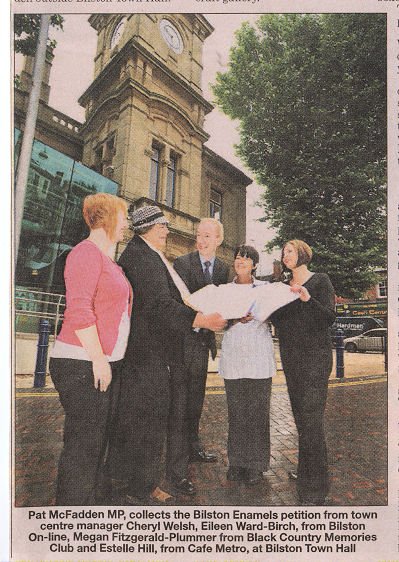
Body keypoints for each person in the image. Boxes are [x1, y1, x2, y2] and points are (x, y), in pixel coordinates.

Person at [112, 206, 226, 503]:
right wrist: (201, 320)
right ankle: (139, 487)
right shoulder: (141, 257)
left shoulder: (148, 255)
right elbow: (161, 305)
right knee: (146, 422)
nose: (166, 231)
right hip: (145, 355)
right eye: (162, 226)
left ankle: (141, 483)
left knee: (148, 421)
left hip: (151, 353)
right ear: (148, 228)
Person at [49, 192, 132, 505]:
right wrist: (99, 360)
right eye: (123, 218)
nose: (126, 225)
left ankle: (90, 505)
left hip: (98, 360)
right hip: (81, 361)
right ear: (108, 217)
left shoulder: (105, 256)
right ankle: (72, 514)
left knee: (93, 441)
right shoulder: (85, 253)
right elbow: (80, 311)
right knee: (84, 443)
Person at [269, 239, 336, 505]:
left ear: (303, 254)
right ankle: (307, 471)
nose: (285, 255)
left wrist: (307, 299)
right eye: (283, 252)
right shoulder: (283, 287)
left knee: (312, 422)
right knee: (302, 421)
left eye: (290, 251)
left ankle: (316, 489)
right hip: (293, 360)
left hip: (315, 361)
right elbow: (279, 320)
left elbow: (328, 318)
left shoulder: (320, 281)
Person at [173, 218, 229, 465]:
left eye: (207, 236)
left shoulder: (224, 270)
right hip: (184, 340)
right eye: (198, 235)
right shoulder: (182, 263)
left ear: (218, 240)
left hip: (204, 344)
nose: (201, 240)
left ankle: (192, 447)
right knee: (180, 399)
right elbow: (178, 304)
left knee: (196, 397)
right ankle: (177, 451)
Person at [219, 245, 276, 485]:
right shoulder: (223, 290)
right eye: (238, 257)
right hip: (234, 359)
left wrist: (268, 314)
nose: (240, 260)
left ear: (254, 264)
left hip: (259, 359)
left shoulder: (266, 289)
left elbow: (277, 315)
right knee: (237, 414)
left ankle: (256, 465)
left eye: (246, 257)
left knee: (258, 414)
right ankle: (237, 462)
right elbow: (216, 320)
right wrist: (233, 318)